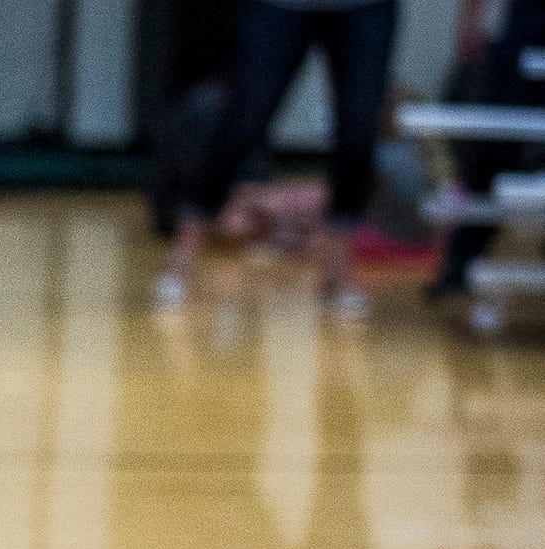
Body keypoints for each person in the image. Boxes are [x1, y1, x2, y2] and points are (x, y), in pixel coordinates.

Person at [155, 0, 401, 318]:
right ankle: (181, 262)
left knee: (358, 131)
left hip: (364, 7)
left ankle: (337, 274)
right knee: (244, 119)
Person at [425, 0, 545, 329]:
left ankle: (459, 266)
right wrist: (471, 18)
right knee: (494, 149)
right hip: (524, 24)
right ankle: (458, 268)